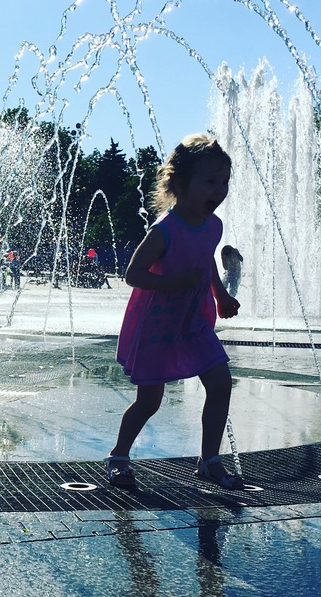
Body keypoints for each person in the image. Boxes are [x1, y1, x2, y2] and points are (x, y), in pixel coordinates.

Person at [105, 134, 243, 491]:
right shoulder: (165, 230)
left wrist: (220, 294)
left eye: (224, 181)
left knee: (221, 383)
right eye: (210, 181)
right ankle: (119, 455)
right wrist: (174, 282)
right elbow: (132, 275)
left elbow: (206, 260)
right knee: (149, 401)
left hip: (194, 323)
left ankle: (209, 459)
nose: (219, 190)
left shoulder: (213, 226)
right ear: (181, 183)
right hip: (159, 326)